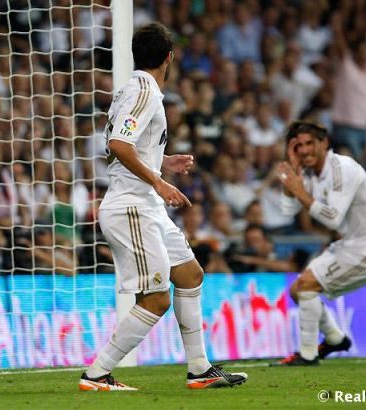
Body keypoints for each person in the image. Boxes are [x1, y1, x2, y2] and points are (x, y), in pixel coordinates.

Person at [79, 22, 248, 391]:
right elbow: (119, 145)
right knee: (156, 299)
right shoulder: (144, 92)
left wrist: (162, 161)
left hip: (146, 205)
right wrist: (158, 181)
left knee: (190, 275)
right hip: (131, 207)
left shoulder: (135, 90)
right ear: (169, 58)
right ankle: (96, 374)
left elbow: (125, 145)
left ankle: (199, 369)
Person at [273, 121, 366, 366]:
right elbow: (287, 210)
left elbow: (333, 218)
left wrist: (300, 191)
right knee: (298, 290)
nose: (304, 150)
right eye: (298, 146)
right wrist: (292, 180)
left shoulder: (342, 167)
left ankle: (308, 355)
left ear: (324, 143)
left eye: (309, 143)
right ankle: (335, 338)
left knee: (307, 286)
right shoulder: (311, 174)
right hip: (351, 244)